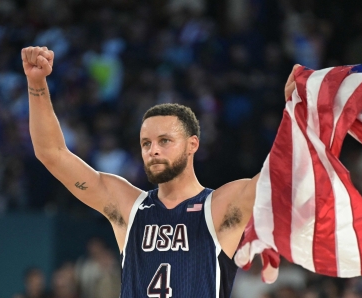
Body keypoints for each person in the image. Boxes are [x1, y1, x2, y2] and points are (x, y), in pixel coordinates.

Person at [22, 46, 298, 298]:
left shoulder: (220, 206)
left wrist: (296, 112)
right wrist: (37, 85)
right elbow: (52, 155)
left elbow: (282, 174)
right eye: (146, 143)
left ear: (193, 145)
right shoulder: (129, 207)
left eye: (164, 141)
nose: (153, 150)